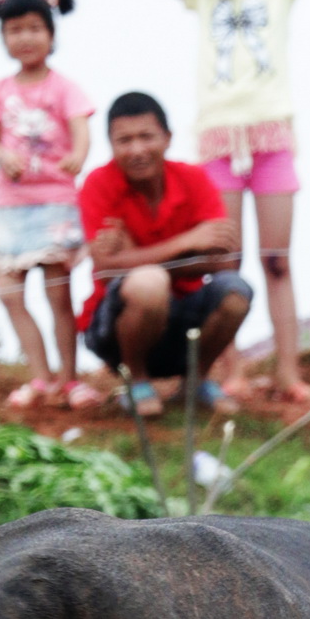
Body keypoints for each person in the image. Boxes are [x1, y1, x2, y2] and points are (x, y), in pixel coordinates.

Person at [134, 0, 310, 404]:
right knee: (226, 261)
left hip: (271, 138)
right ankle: (230, 370)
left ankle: (288, 373)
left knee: (277, 261)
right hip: (218, 139)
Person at [77, 94, 252, 416]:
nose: (137, 150)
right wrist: (187, 243)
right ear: (111, 145)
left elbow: (226, 261)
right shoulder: (97, 184)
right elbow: (105, 268)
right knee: (148, 284)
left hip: (184, 317)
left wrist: (134, 257)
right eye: (124, 140)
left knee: (236, 291)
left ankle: (195, 382)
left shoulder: (194, 178)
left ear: (167, 138)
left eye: (146, 137)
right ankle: (138, 382)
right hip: (114, 326)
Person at [0, 0, 97, 409]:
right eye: (14, 30)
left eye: (33, 28)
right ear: (3, 36)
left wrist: (78, 157)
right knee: (8, 292)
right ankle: (39, 377)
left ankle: (69, 379)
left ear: (50, 33)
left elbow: (81, 130)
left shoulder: (65, 88)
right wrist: (2, 155)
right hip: (10, 204)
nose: (24, 38)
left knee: (57, 293)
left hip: (54, 201)